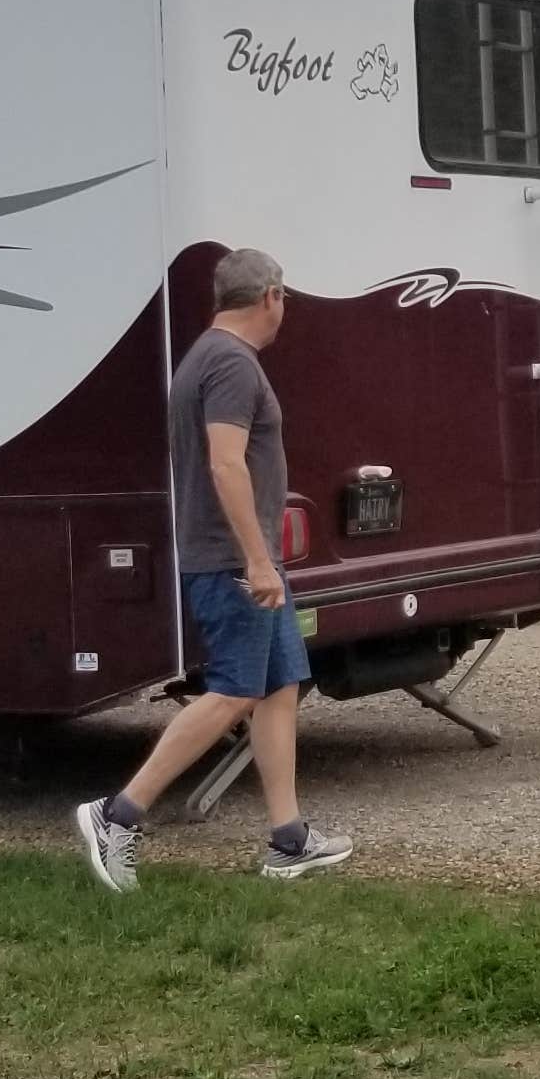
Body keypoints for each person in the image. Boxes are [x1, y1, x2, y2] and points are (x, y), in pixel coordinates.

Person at [74, 247, 353, 888]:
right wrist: (256, 560)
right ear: (271, 297)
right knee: (234, 689)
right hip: (235, 561)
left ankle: (289, 840)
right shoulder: (228, 363)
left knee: (279, 686)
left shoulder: (209, 356)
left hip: (247, 560)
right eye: (285, 298)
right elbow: (225, 462)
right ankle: (117, 815)